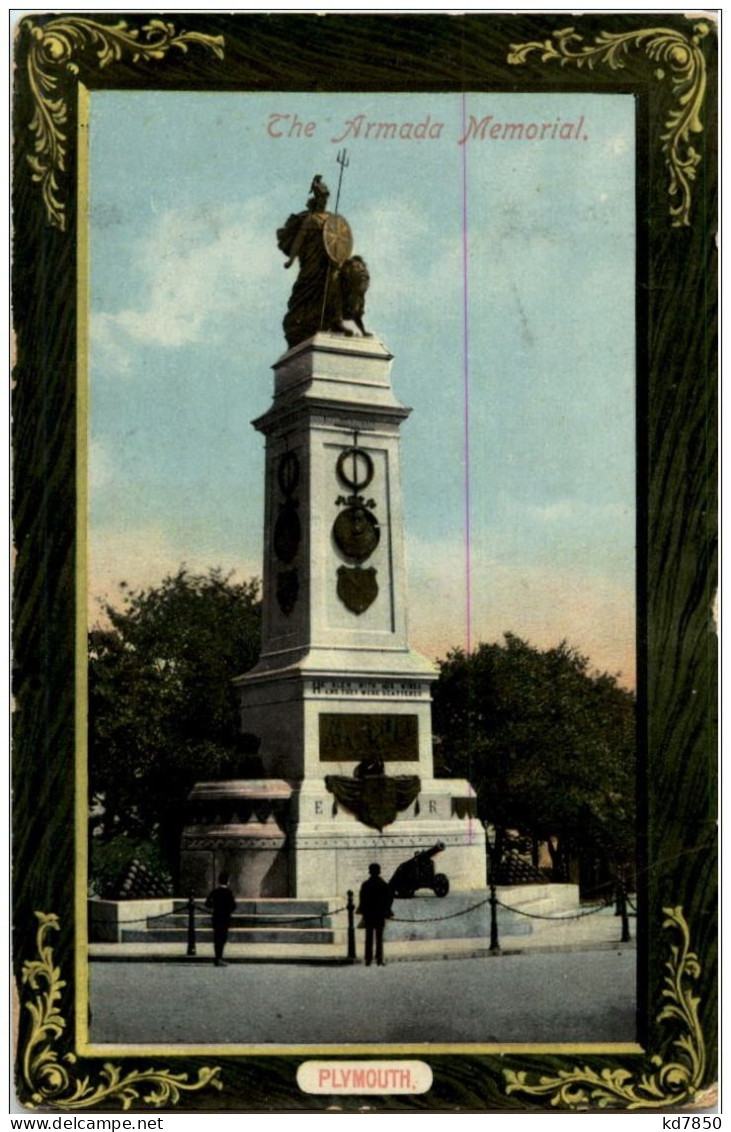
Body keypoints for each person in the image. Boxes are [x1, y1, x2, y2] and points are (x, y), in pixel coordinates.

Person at [276, 175, 348, 346]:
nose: (324, 200)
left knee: (333, 288)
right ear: (317, 198)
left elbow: (339, 240)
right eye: (322, 196)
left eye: (326, 196)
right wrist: (291, 260)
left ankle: (334, 321)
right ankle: (304, 323)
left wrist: (339, 257)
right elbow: (299, 240)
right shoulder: (310, 219)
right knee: (305, 291)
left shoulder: (331, 218)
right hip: (312, 263)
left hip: (328, 262)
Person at [357, 862, 393, 967]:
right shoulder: (383, 885)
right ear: (379, 872)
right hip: (379, 915)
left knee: (369, 938)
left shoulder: (365, 884)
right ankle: (379, 959)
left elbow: (362, 900)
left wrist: (363, 911)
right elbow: (388, 900)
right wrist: (387, 911)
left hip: (369, 915)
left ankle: (368, 959)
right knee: (379, 938)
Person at [205, 871, 236, 967]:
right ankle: (219, 958)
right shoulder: (229, 893)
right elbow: (233, 906)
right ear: (227, 882)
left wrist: (216, 906)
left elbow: (207, 903)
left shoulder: (215, 892)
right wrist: (227, 909)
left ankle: (217, 957)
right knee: (222, 938)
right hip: (225, 918)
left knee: (217, 938)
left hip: (216, 917)